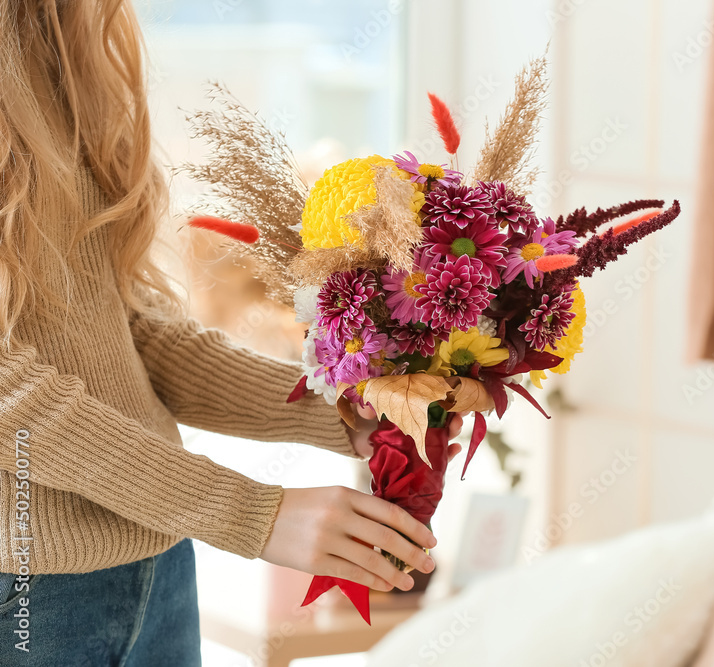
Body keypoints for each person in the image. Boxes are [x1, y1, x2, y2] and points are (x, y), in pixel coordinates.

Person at [0, 1, 460, 663]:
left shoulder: (60, 59)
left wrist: (343, 407)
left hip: (157, 565)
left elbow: (130, 335)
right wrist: (252, 511)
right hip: (32, 598)